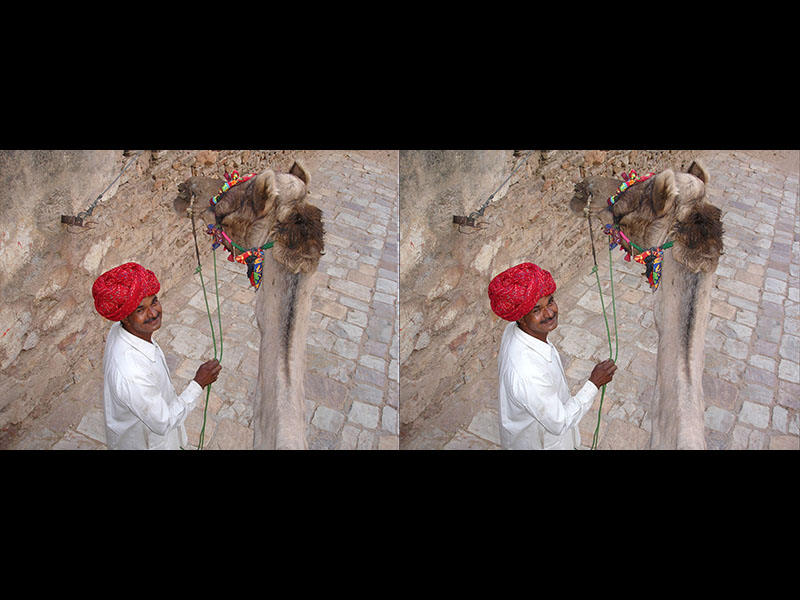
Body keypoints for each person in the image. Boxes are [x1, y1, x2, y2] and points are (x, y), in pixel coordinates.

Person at [92, 262, 221, 449]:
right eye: (140, 310)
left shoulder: (122, 331)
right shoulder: (132, 373)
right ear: (125, 317)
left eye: (153, 301)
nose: (153, 313)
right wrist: (198, 383)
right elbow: (163, 422)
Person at [488, 262, 616, 449]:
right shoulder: (528, 373)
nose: (549, 313)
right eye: (536, 310)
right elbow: (559, 422)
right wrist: (594, 384)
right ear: (521, 317)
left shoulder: (514, 330)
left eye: (550, 302)